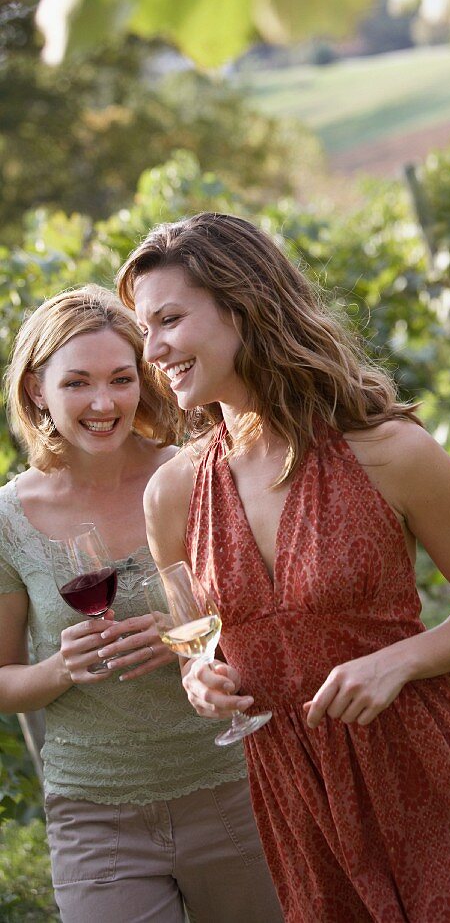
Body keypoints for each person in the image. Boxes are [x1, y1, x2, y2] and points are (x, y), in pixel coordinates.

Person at [118, 212, 450, 923]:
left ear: (241, 305)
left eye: (169, 320)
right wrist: (201, 681)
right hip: (296, 795)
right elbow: (198, 648)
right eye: (143, 330)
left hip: (427, 764)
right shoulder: (174, 492)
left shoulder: (389, 452)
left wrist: (396, 662)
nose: (151, 350)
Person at [0, 286, 282, 923]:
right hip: (95, 816)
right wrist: (58, 671)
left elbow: (272, 622)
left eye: (121, 379)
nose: (104, 404)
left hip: (232, 787)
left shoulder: (199, 476)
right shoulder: (8, 521)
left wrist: (187, 640)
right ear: (37, 389)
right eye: (77, 383)